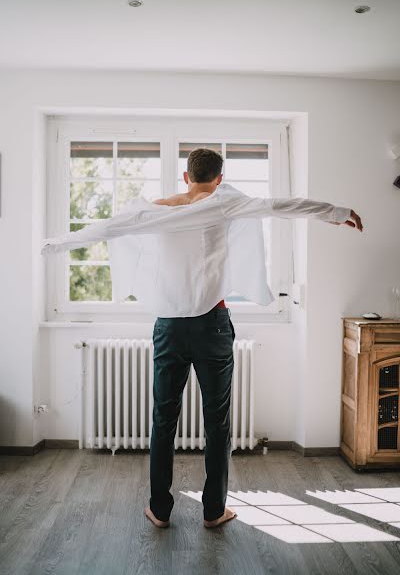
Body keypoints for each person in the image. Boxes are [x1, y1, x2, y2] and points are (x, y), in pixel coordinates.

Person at [41, 148, 363, 529]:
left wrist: (54, 245)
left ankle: (159, 510)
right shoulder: (225, 204)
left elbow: (105, 228)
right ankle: (214, 511)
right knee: (218, 422)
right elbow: (282, 205)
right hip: (212, 324)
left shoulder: (157, 208)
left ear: (185, 176)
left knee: (163, 420)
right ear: (219, 177)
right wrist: (337, 213)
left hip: (169, 329)